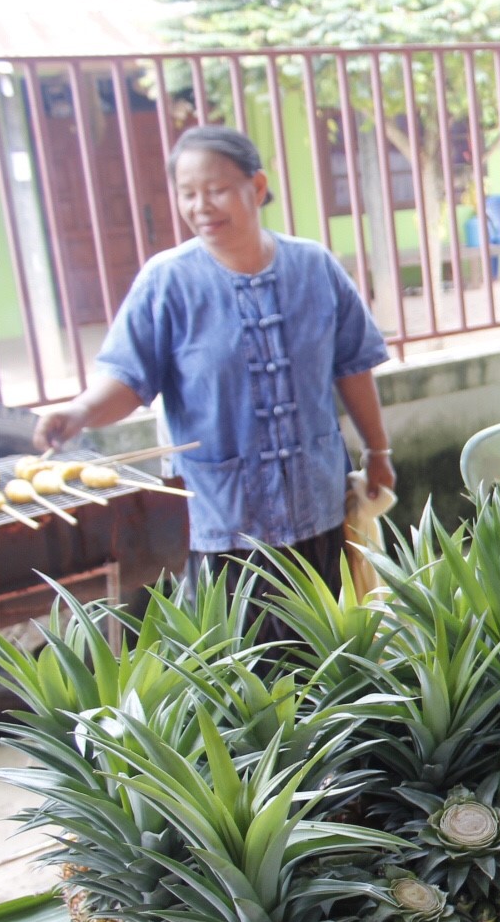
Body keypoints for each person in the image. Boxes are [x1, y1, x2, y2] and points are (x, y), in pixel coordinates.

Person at [33, 125, 393, 591]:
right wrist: (80, 411)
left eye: (217, 190)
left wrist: (378, 450)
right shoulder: (167, 282)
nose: (200, 206)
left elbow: (353, 368)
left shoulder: (314, 267)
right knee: (239, 657)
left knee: (329, 651)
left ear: (257, 187)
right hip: (225, 523)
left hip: (317, 509)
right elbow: (126, 379)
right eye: (187, 194)